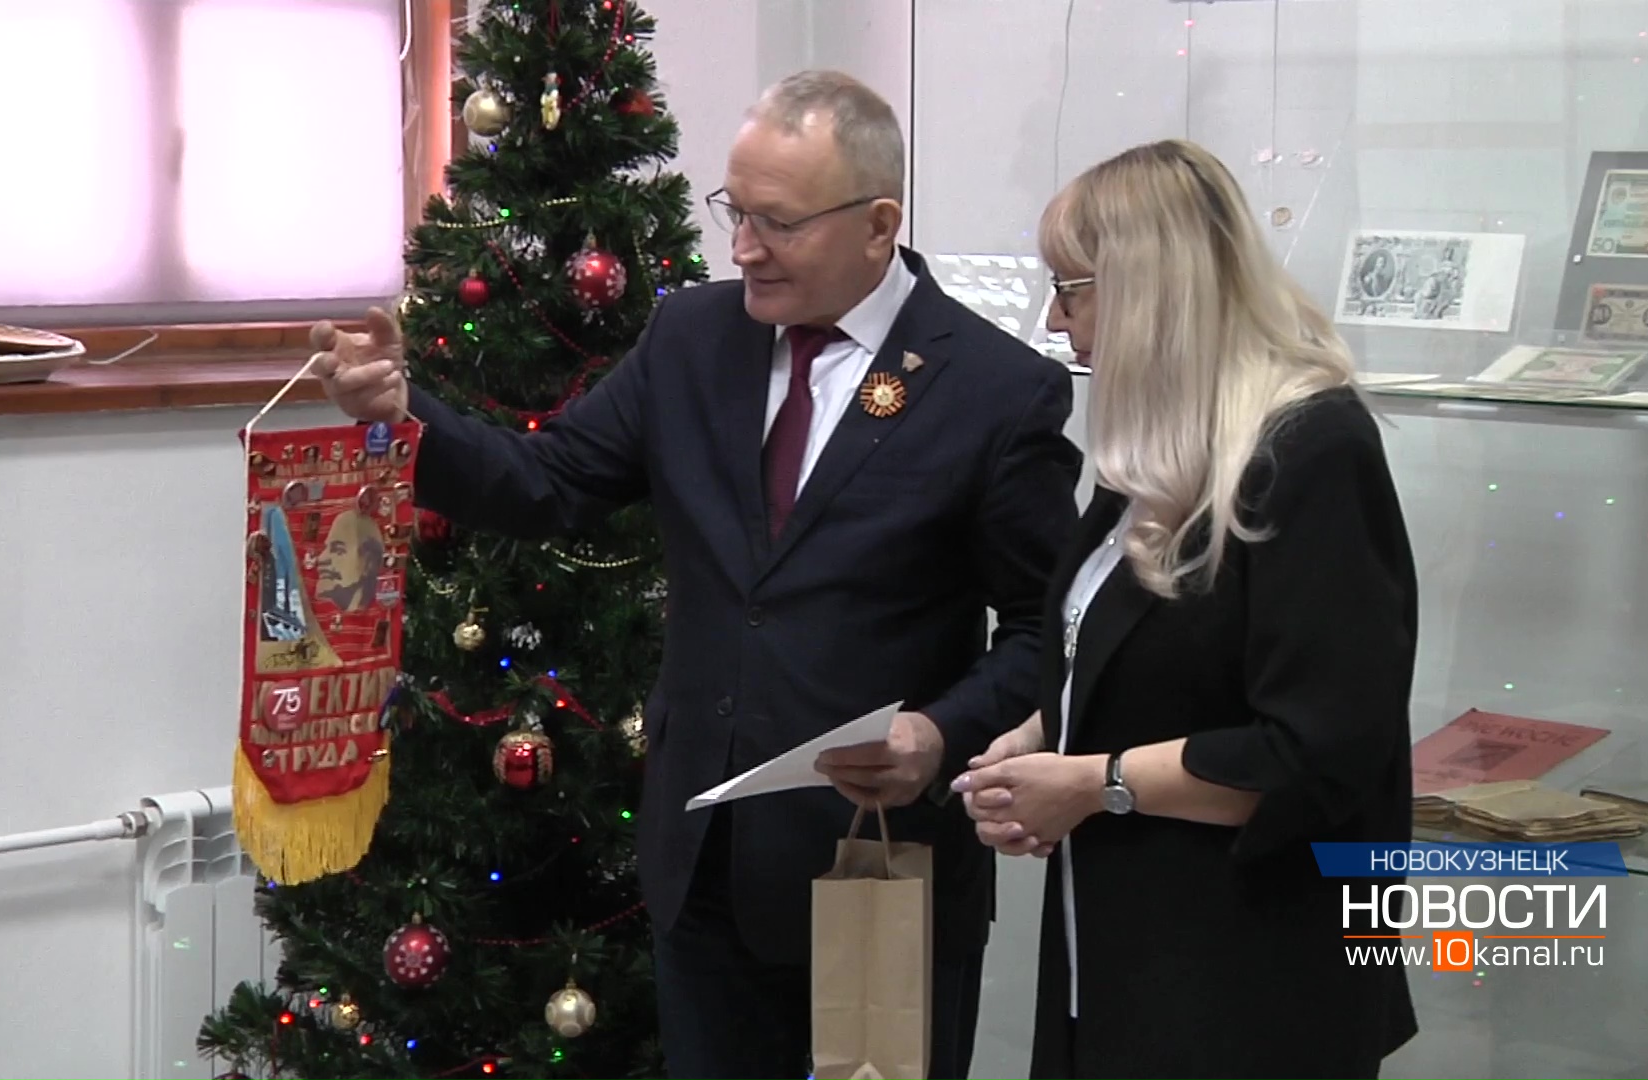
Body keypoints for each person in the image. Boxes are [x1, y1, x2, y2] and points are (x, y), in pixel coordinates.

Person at [308, 70, 1083, 1080]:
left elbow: (1046, 628)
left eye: (778, 222)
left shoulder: (994, 389)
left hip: (882, 866)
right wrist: (403, 411)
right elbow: (549, 483)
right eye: (735, 211)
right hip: (706, 866)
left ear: (878, 224)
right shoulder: (693, 337)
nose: (744, 247)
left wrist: (939, 734)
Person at [952, 138, 1420, 1079]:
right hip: (1117, 963)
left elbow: (1316, 751)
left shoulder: (1313, 451)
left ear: (1148, 289)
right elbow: (1140, 659)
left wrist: (1094, 782)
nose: (1054, 319)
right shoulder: (1159, 453)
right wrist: (1042, 738)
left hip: (1251, 980)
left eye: (1070, 289)